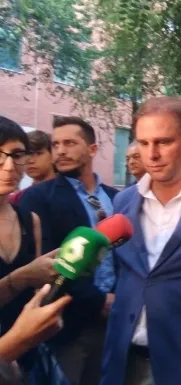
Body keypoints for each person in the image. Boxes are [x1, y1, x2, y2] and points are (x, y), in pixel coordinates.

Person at [100, 97, 181, 385]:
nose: (151, 154)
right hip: (124, 359)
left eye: (163, 142)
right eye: (143, 143)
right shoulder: (123, 201)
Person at [20, 116, 118, 385]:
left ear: (92, 149)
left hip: (115, 322)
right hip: (65, 325)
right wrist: (99, 300)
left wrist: (119, 298)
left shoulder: (116, 197)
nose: (60, 151)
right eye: (55, 144)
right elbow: (47, 263)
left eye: (70, 143)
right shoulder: (39, 197)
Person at [0, 116, 62, 379]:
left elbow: (37, 294)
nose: (9, 166)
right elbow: (28, 277)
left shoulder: (30, 220)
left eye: (17, 155)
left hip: (29, 357)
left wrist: (64, 271)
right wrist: (22, 277)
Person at [9, 131, 56, 205]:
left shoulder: (70, 191)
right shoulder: (16, 199)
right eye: (26, 154)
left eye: (38, 153)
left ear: (53, 156)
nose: (30, 161)